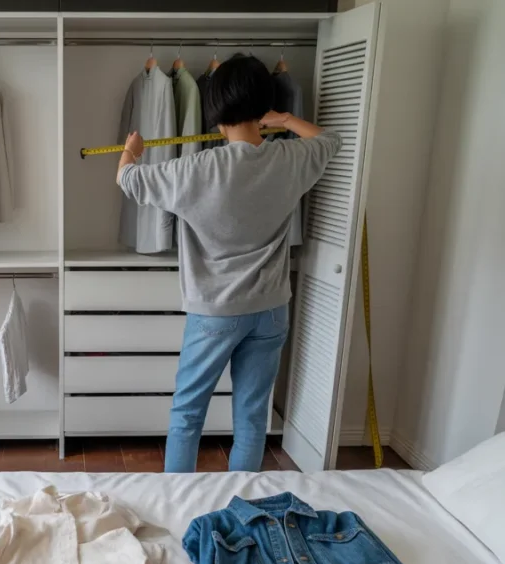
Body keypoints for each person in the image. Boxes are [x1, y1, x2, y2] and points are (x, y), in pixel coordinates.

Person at [116, 53, 342, 473]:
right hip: (271, 309)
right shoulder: (289, 159)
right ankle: (242, 509)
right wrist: (286, 121)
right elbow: (331, 140)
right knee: (252, 419)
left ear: (215, 109)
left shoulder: (198, 168)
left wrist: (130, 151)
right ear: (263, 106)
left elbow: (127, 180)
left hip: (214, 311)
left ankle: (177, 506)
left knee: (187, 414)